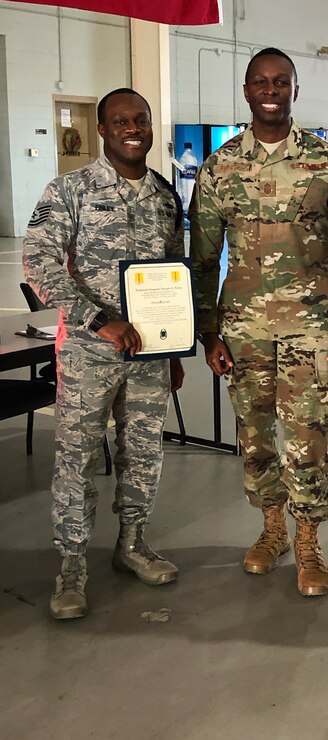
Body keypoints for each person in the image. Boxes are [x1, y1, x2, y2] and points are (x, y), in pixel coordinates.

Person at [190, 48, 328, 596]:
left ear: (295, 90)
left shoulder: (327, 163)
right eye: (260, 82)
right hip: (242, 329)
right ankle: (273, 532)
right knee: (256, 437)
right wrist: (208, 331)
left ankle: (310, 541)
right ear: (247, 90)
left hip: (311, 328)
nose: (270, 91)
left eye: (281, 82)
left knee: (309, 436)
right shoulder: (220, 167)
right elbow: (201, 255)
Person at [23, 88, 185, 620]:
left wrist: (176, 346)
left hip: (150, 356)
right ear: (102, 129)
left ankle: (132, 544)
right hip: (90, 354)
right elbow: (40, 264)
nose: (132, 128)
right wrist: (100, 320)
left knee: (144, 453)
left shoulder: (164, 195)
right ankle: (71, 566)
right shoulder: (69, 190)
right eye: (121, 121)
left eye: (141, 119)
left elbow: (174, 274)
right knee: (78, 458)